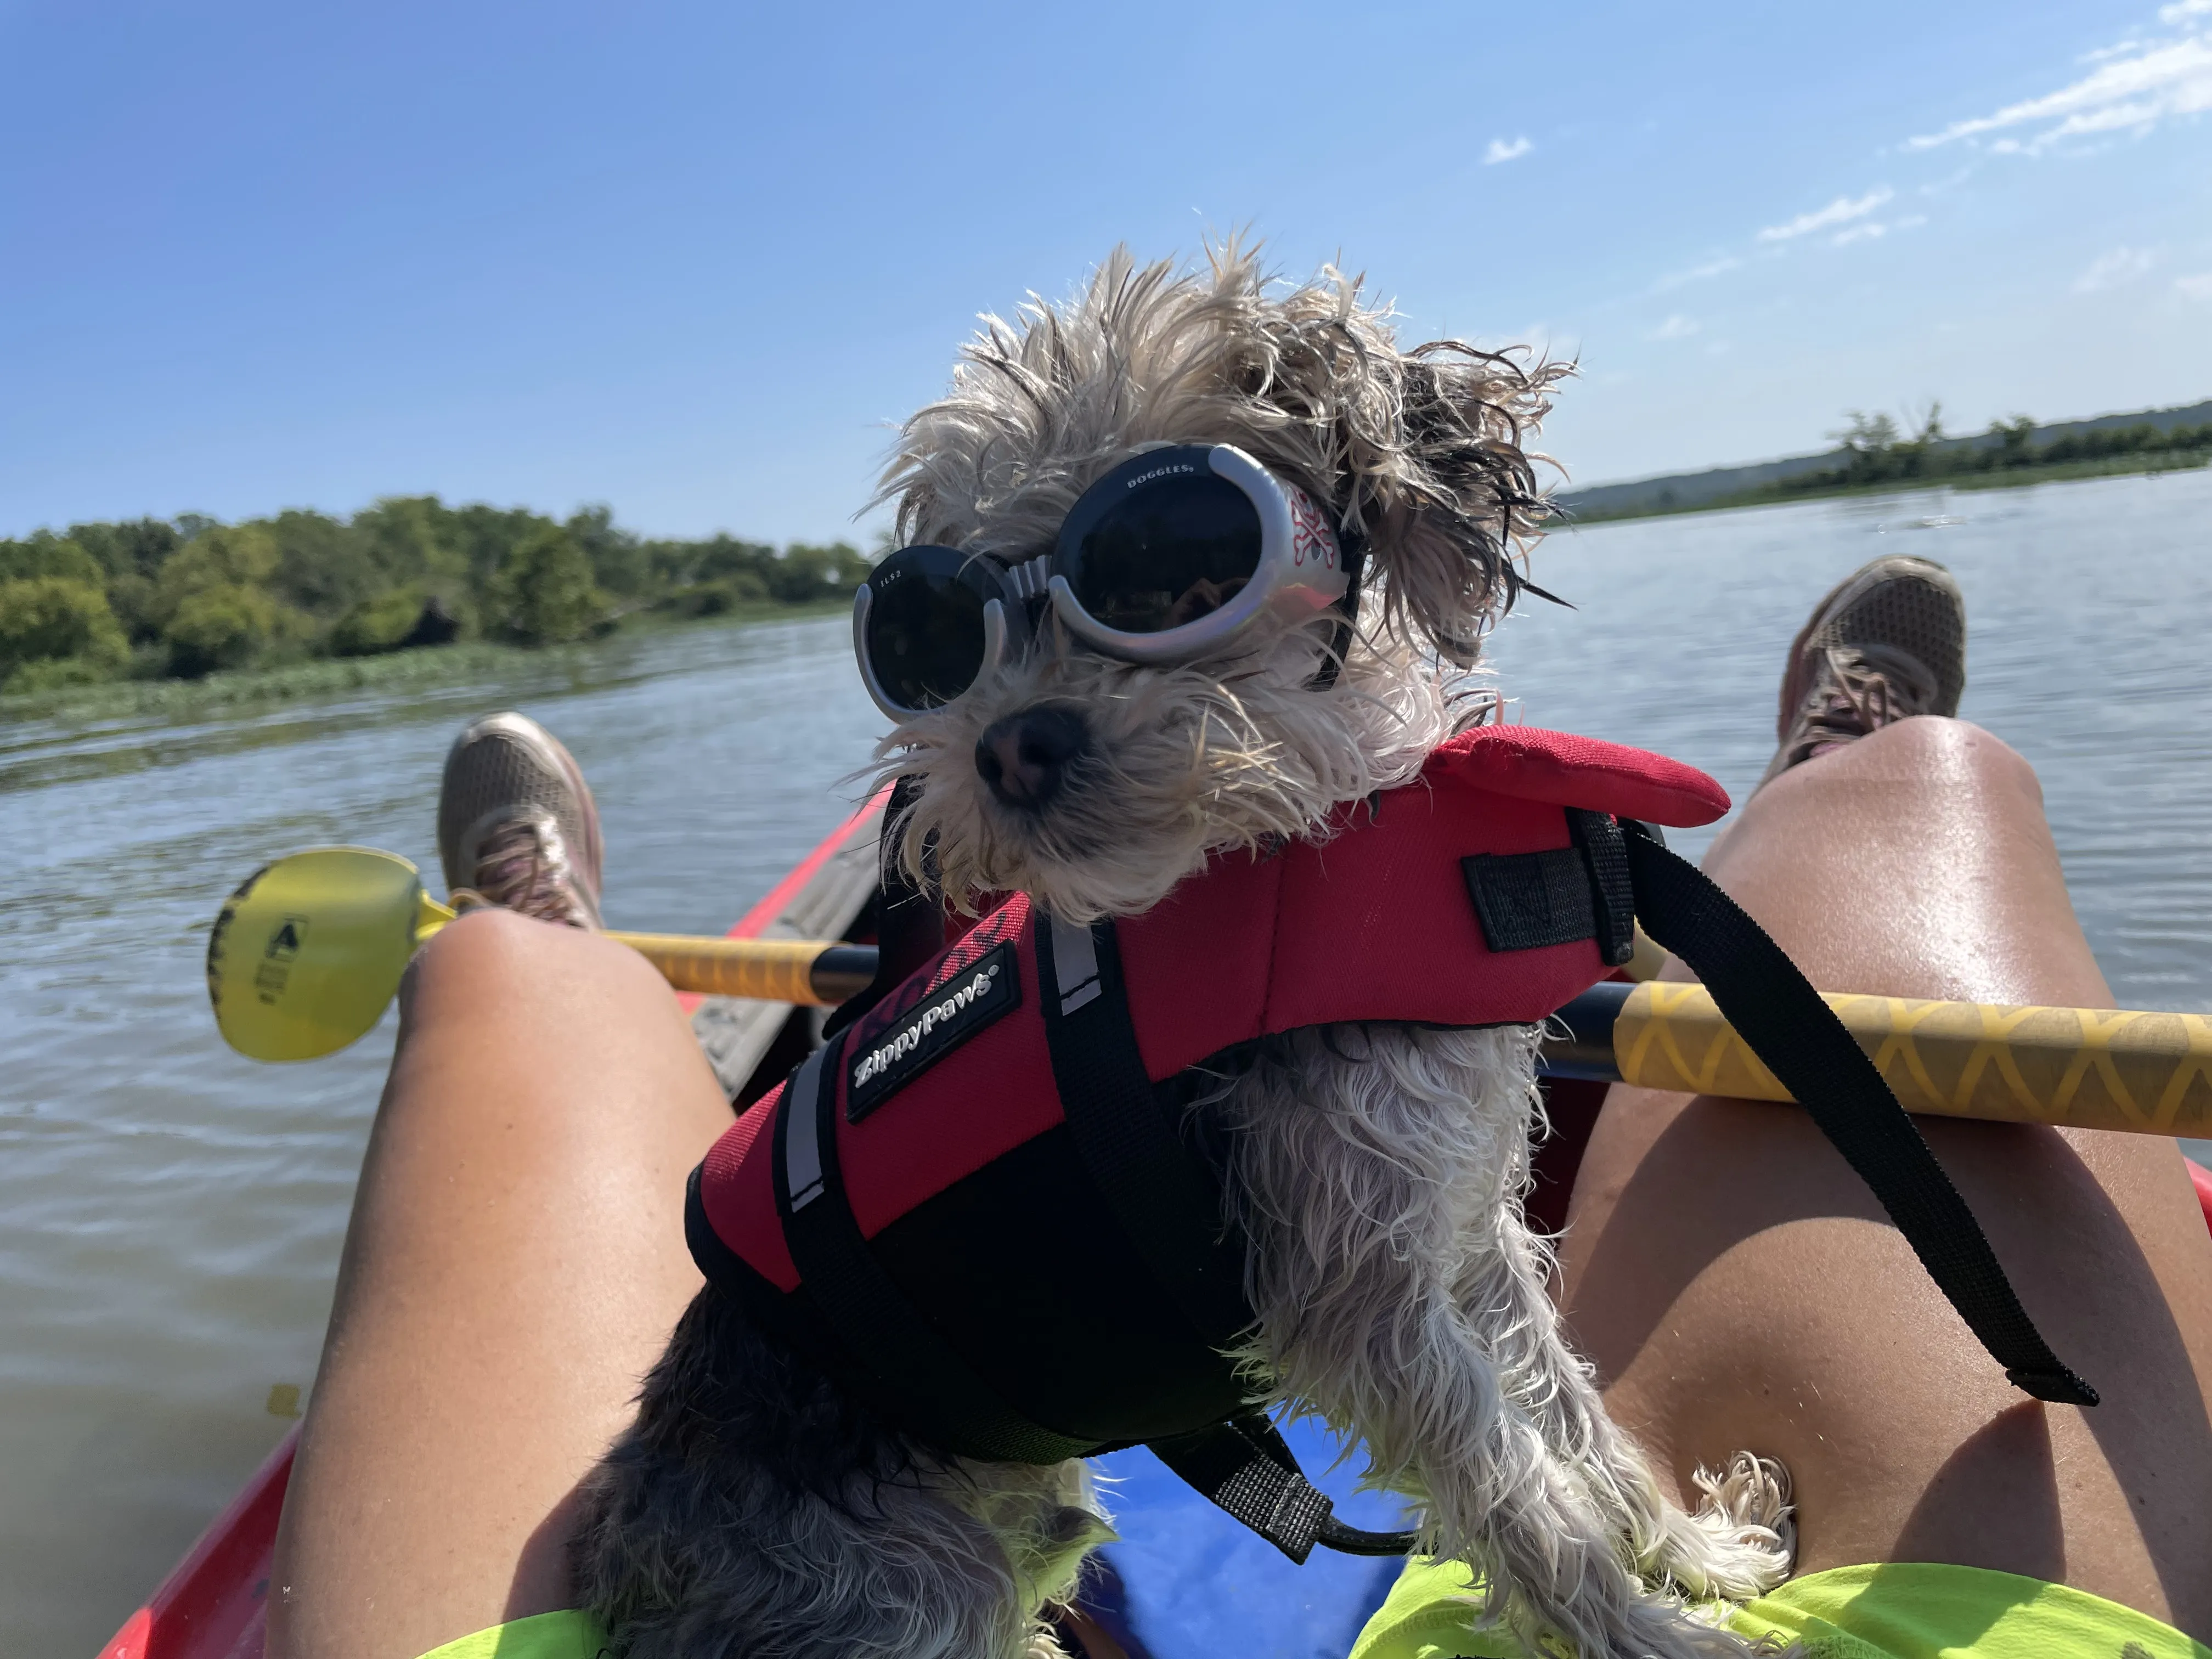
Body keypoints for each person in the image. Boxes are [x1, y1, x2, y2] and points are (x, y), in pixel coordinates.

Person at [266, 559, 2212, 1659]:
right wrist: (1628, 1616)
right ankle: (1843, 770)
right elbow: (1411, 1342)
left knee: (502, 995)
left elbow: (1472, 1290)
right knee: (1924, 803)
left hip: (795, 1505)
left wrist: (1634, 1544)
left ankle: (532, 940)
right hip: (852, 1535)